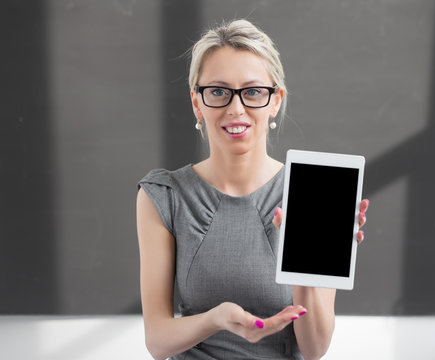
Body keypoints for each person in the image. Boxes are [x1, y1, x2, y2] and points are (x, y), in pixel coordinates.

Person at [136, 19, 370, 360]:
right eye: (217, 91)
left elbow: (315, 348)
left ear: (275, 101)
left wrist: (303, 258)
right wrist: (216, 319)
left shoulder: (317, 190)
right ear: (196, 102)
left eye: (253, 91)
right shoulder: (163, 196)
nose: (236, 109)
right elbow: (157, 341)